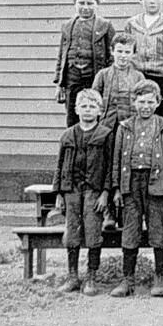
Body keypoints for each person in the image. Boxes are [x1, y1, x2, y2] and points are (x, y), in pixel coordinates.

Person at [108, 83, 163, 298]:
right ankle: (127, 278)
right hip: (131, 183)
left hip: (156, 183)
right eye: (141, 102)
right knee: (130, 230)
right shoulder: (125, 127)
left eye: (150, 102)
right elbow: (116, 159)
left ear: (158, 103)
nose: (146, 106)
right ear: (134, 102)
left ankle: (160, 276)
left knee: (157, 230)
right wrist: (117, 188)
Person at [51, 88, 110, 295]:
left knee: (93, 233)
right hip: (72, 190)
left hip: (94, 191)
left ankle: (91, 277)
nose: (87, 110)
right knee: (72, 233)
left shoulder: (105, 135)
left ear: (99, 110)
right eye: (83, 106)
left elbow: (110, 167)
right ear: (76, 109)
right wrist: (58, 192)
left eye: (92, 106)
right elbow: (59, 166)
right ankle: (73, 276)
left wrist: (105, 193)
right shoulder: (68, 135)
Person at [54, 0, 114, 128]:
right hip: (72, 80)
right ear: (75, 3)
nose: (85, 7)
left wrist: (107, 82)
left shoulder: (105, 26)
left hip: (94, 78)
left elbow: (112, 57)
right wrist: (59, 83)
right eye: (81, 3)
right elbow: (62, 55)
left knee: (94, 114)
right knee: (72, 116)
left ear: (97, 4)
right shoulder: (68, 26)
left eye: (90, 3)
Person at [93, 33, 148, 130]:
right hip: (106, 125)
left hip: (131, 125)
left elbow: (143, 102)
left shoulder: (139, 77)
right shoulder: (102, 75)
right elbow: (94, 100)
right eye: (119, 51)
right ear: (112, 51)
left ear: (134, 54)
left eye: (127, 52)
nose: (123, 56)